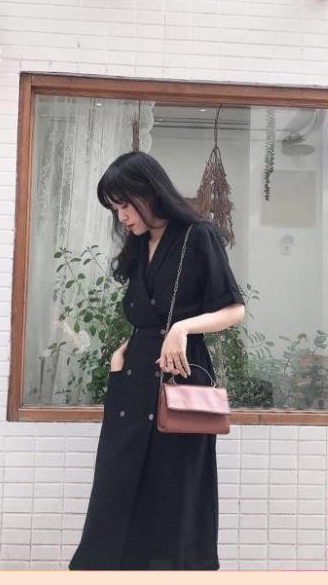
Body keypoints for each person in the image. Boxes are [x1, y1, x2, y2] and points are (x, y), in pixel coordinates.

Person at [68, 151, 246, 571]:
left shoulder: (197, 236)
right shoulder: (138, 245)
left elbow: (234, 309)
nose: (122, 216)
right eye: (115, 209)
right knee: (115, 491)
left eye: (125, 205)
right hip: (132, 383)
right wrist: (122, 353)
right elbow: (144, 314)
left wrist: (183, 328)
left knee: (172, 496)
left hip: (178, 382)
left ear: (148, 192)